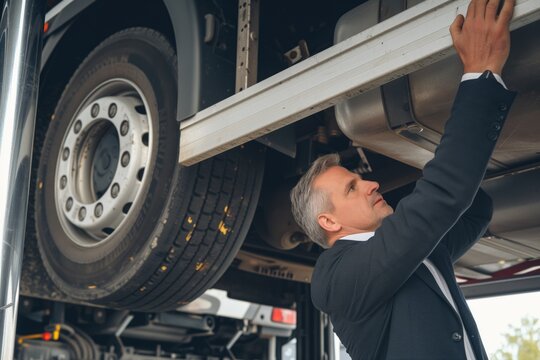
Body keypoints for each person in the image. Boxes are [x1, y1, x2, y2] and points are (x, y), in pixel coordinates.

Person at [289, 0, 517, 359]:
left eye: (361, 179)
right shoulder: (334, 280)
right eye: (352, 187)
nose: (372, 183)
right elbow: (441, 200)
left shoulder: (409, 255)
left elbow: (474, 210)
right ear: (328, 221)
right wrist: (480, 74)